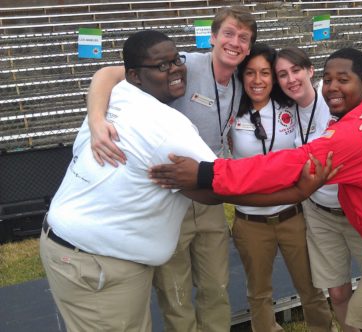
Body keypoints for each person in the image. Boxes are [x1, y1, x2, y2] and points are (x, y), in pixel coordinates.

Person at [150, 48, 362, 332]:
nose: (332, 88)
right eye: (327, 80)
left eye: (343, 80)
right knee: (359, 317)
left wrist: (206, 173)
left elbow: (284, 167)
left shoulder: (358, 131)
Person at [86, 7, 257, 332]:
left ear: (249, 47)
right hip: (168, 196)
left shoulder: (241, 78)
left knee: (216, 287)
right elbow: (106, 75)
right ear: (213, 37)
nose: (235, 43)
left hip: (208, 195)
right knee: (175, 292)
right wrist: (97, 121)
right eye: (229, 34)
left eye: (243, 38)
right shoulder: (187, 64)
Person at [39, 30, 218, 332]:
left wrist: (96, 118)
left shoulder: (121, 93)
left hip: (75, 248)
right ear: (134, 75)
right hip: (96, 261)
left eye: (177, 60)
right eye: (162, 66)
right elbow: (223, 184)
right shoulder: (166, 125)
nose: (174, 68)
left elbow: (107, 73)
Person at [273, 47, 362, 332]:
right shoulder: (283, 112)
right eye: (282, 75)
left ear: (311, 71)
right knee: (337, 292)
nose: (291, 79)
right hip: (319, 213)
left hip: (357, 210)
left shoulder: (334, 92)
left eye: (296, 70)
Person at [230, 43, 334, 332]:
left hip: (293, 215)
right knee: (259, 294)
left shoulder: (290, 106)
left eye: (265, 72)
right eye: (250, 72)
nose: (258, 80)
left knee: (311, 287)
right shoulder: (231, 114)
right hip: (250, 220)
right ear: (241, 76)